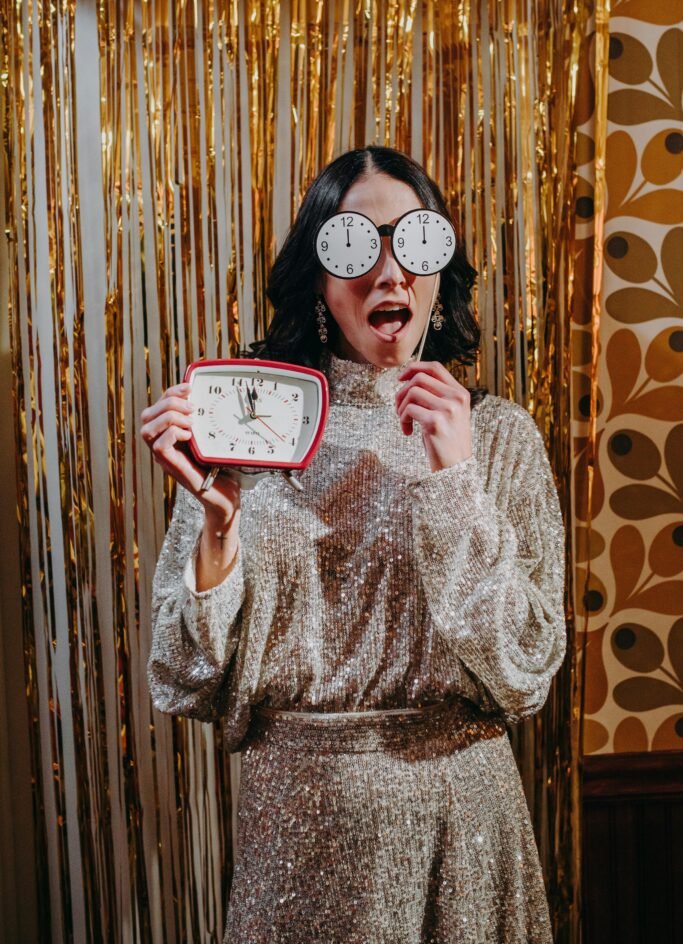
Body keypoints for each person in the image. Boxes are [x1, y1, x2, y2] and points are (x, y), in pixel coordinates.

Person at [141, 145, 567, 944]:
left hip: (462, 827)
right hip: (300, 827)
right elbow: (181, 675)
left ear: (439, 269)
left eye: (413, 241)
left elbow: (524, 670)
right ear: (317, 278)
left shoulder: (499, 437)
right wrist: (219, 526)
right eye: (353, 245)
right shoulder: (253, 428)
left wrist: (452, 478)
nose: (387, 271)